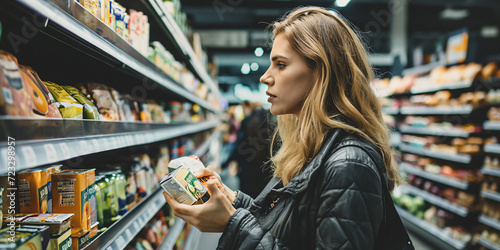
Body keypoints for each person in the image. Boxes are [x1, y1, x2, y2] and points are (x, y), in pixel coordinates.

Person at [164, 6, 413, 250]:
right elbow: (290, 229)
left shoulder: (349, 163)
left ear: (320, 73)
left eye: (280, 65)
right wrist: (231, 199)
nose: (265, 77)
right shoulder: (314, 147)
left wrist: (233, 224)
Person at [223, 100, 273, 198]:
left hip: (247, 168)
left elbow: (240, 146)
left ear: (248, 107)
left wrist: (226, 162)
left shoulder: (247, 121)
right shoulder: (268, 121)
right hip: (264, 169)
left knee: (247, 198)